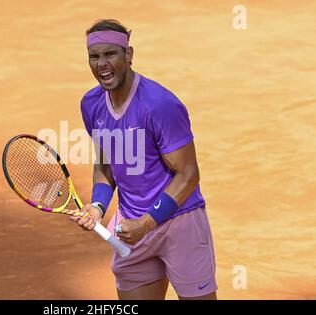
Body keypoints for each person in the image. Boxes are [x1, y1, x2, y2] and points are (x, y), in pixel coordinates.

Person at [71, 19, 217, 300]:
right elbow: (105, 162)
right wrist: (99, 206)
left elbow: (188, 174)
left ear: (129, 55)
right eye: (94, 56)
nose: (101, 64)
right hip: (130, 227)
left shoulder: (160, 105)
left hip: (179, 224)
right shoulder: (91, 104)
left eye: (110, 54)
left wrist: (148, 223)